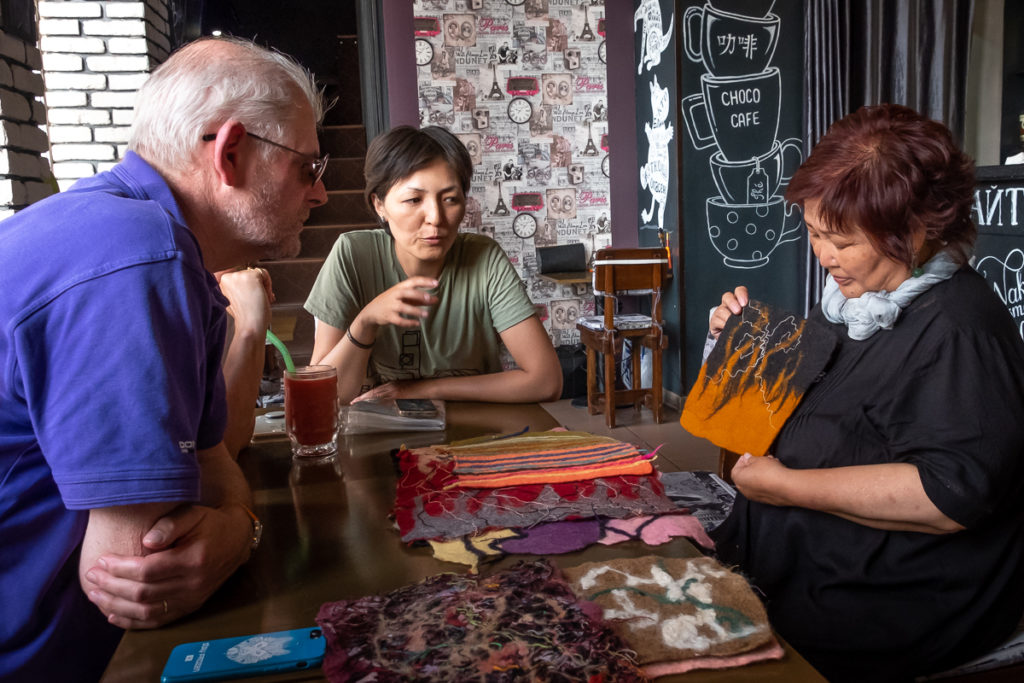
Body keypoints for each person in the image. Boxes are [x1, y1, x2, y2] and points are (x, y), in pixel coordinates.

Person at [0, 37, 327, 680]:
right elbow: (139, 581)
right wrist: (239, 529)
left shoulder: (156, 244)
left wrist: (236, 521)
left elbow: (213, 457)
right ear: (230, 153)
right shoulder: (137, 256)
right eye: (308, 168)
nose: (320, 193)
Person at [706, 103, 1024, 681]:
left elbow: (946, 495)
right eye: (814, 234)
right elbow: (812, 409)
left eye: (841, 242)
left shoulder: (959, 329)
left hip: (898, 599)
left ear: (917, 229)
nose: (824, 256)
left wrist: (788, 488)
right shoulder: (860, 299)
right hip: (791, 558)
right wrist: (739, 348)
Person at [305, 125, 562, 405]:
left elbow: (546, 381)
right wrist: (365, 322)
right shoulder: (353, 255)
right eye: (414, 199)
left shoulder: (484, 259)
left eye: (450, 199)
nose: (436, 218)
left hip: (476, 437)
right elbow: (322, 395)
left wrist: (420, 389)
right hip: (376, 436)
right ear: (379, 204)